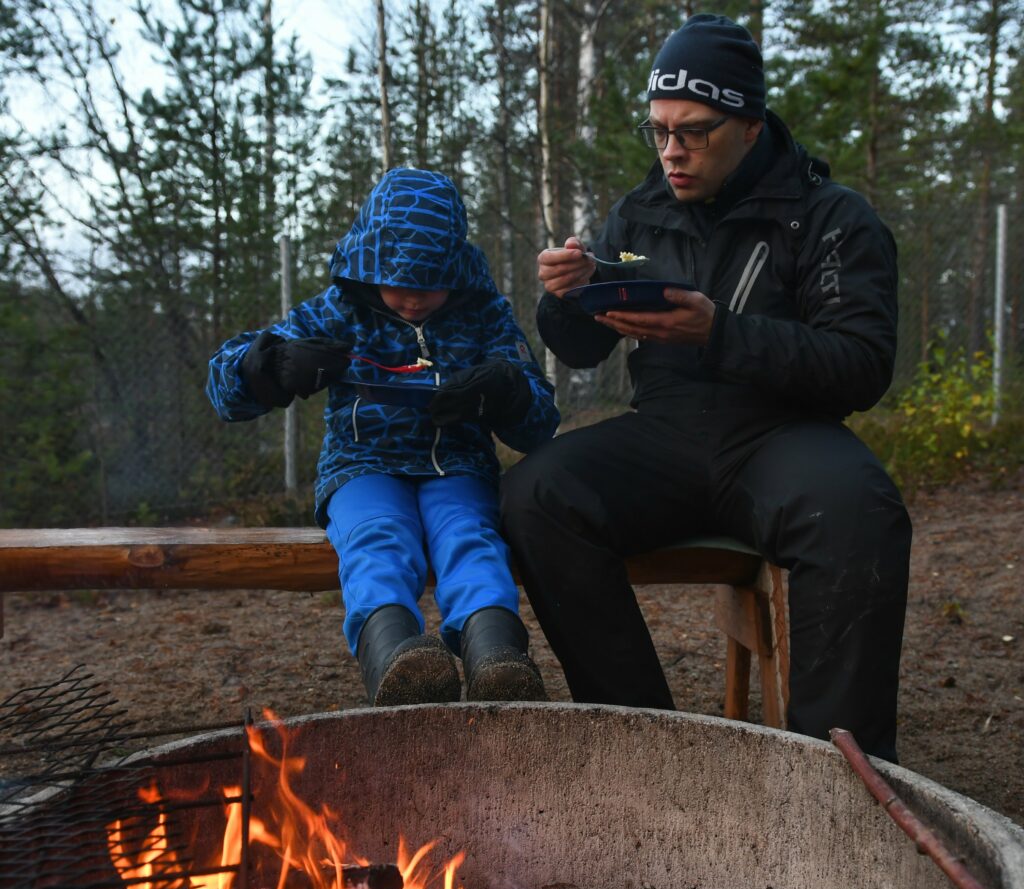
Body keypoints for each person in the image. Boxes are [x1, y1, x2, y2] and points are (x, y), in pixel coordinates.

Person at [500, 13, 912, 762]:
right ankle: (652, 747)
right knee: (535, 494)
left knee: (858, 510)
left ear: (750, 125)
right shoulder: (640, 210)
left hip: (784, 436)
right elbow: (585, 348)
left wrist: (719, 333)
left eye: (694, 131)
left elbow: (861, 364)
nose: (671, 151)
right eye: (659, 130)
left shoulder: (829, 218)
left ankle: (836, 781)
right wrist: (566, 297)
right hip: (666, 432)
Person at [207, 168, 559, 707]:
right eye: (398, 282)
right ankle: (397, 659)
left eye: (431, 284)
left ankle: (497, 660)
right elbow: (224, 388)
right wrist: (270, 366)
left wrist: (505, 390)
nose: (414, 300)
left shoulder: (485, 317)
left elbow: (540, 420)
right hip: (362, 465)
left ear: (457, 270)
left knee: (471, 539)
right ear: (368, 264)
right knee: (377, 539)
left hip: (458, 465)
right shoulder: (338, 311)